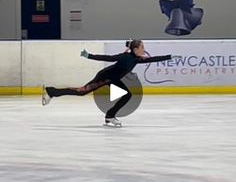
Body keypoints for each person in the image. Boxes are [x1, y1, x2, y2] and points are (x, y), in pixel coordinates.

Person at [42, 40, 176, 127]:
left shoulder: (136, 59)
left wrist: (169, 57)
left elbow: (151, 60)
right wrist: (89, 56)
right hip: (104, 77)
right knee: (81, 92)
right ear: (135, 49)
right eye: (142, 47)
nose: (143, 49)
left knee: (127, 95)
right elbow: (108, 58)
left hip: (114, 80)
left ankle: (110, 116)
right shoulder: (125, 57)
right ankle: (51, 91)